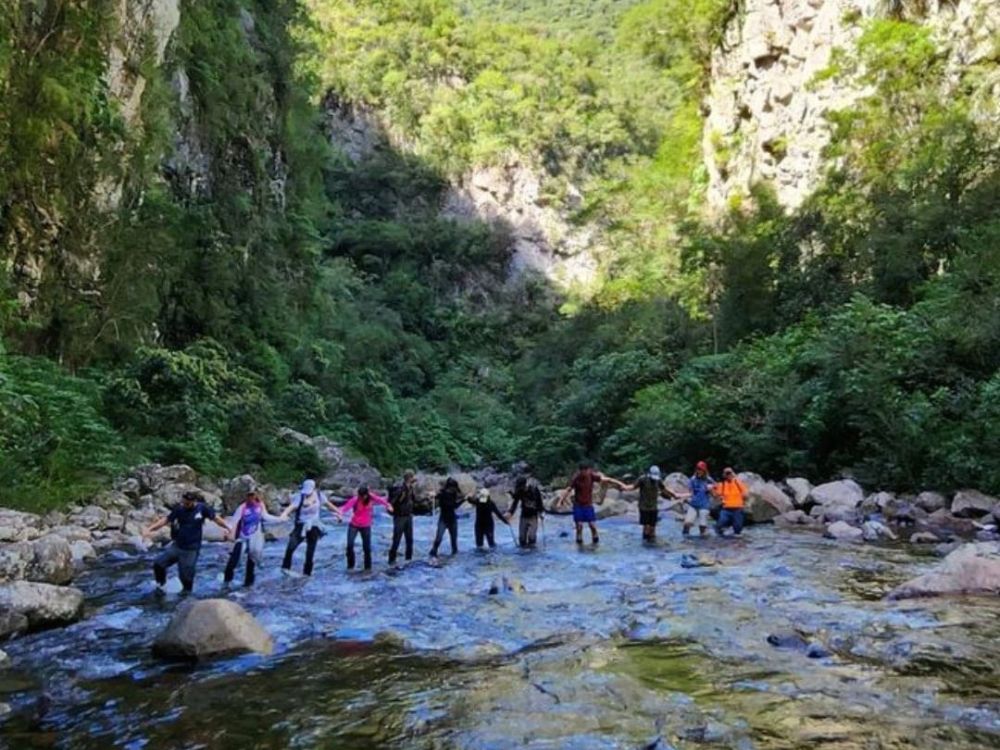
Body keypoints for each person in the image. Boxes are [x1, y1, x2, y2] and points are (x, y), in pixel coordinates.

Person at [142, 491, 231, 593]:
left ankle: (186, 597)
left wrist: (228, 527)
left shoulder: (202, 508)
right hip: (177, 546)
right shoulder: (179, 509)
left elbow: (215, 518)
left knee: (186, 577)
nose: (185, 505)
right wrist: (150, 529)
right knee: (158, 564)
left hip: (191, 549)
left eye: (187, 503)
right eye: (184, 502)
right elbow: (165, 520)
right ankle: (161, 586)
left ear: (194, 501)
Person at [224, 487, 284, 587]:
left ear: (256, 496)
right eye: (249, 495)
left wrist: (279, 519)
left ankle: (248, 584)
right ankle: (226, 583)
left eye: (253, 495)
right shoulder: (242, 507)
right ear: (246, 497)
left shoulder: (260, 505)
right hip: (242, 537)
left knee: (251, 561)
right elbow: (234, 520)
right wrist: (227, 530)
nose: (251, 497)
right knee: (233, 561)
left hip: (255, 537)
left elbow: (266, 517)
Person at [558, 461, 625, 545]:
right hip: (578, 505)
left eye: (586, 470)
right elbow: (568, 489)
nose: (584, 472)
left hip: (588, 505)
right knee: (579, 526)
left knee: (592, 525)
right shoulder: (576, 478)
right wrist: (561, 501)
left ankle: (595, 539)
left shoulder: (591, 475)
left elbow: (606, 479)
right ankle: (579, 542)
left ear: (588, 470)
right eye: (582, 470)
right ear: (580, 470)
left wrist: (620, 483)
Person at [279, 479, 337, 576]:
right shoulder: (300, 497)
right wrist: (284, 514)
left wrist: (339, 512)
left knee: (310, 552)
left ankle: (307, 574)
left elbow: (328, 505)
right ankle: (285, 569)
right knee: (291, 547)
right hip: (301, 525)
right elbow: (291, 507)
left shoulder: (319, 495)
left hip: (314, 526)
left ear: (313, 488)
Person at [338, 485, 393, 571]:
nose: (362, 498)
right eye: (361, 496)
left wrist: (388, 506)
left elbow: (381, 500)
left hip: (366, 526)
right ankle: (350, 566)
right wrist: (340, 515)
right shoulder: (355, 499)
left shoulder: (371, 497)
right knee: (349, 545)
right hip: (354, 524)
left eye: (364, 496)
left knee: (367, 548)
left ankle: (367, 568)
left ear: (366, 494)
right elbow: (344, 508)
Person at [624, 465, 679, 543]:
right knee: (646, 527)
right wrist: (624, 487)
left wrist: (674, 495)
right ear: (649, 474)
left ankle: (652, 543)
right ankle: (645, 543)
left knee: (652, 527)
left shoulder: (658, 481)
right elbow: (633, 487)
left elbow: (664, 489)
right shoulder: (642, 479)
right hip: (644, 507)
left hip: (653, 507)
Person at [387, 470, 418, 565]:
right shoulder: (400, 489)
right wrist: (390, 507)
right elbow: (392, 502)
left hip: (409, 516)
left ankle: (408, 559)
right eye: (413, 477)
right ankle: (391, 560)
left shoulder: (411, 488)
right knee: (397, 539)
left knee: (410, 539)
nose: (414, 479)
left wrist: (427, 498)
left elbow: (415, 500)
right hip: (399, 517)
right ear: (409, 478)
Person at [430, 477, 466, 557]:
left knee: (453, 541)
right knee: (438, 538)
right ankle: (433, 552)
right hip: (443, 519)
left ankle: (454, 555)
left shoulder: (453, 494)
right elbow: (454, 506)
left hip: (452, 519)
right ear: (450, 487)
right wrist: (432, 495)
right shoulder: (443, 494)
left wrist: (465, 498)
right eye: (454, 488)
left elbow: (455, 503)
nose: (455, 490)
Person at [507, 475, 545, 547]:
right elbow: (515, 502)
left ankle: (532, 554)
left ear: (524, 485)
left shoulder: (534, 489)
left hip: (533, 516)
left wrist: (541, 512)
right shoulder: (519, 491)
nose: (520, 489)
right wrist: (510, 513)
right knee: (522, 538)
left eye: (521, 487)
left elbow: (539, 502)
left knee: (532, 537)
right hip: (524, 515)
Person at [713, 467, 748, 537]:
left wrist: (744, 498)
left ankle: (733, 532)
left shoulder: (738, 483)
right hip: (726, 509)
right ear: (724, 475)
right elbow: (716, 494)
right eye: (727, 473)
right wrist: (712, 489)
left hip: (738, 509)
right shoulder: (722, 484)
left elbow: (746, 494)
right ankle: (721, 535)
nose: (728, 475)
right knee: (719, 525)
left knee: (738, 530)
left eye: (730, 473)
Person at [684, 461, 716, 537]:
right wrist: (684, 497)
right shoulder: (692, 479)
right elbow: (691, 493)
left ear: (704, 470)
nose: (699, 471)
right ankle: (685, 539)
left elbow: (715, 492)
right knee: (687, 523)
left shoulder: (709, 480)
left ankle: (703, 543)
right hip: (693, 504)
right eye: (698, 469)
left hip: (704, 505)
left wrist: (711, 489)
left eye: (701, 469)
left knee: (702, 526)